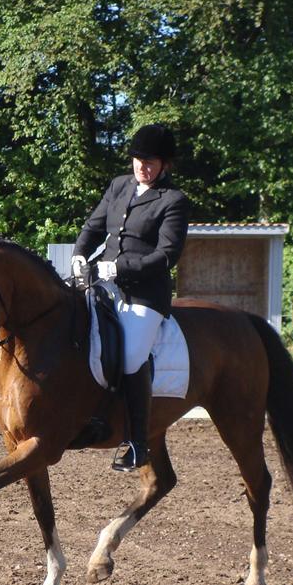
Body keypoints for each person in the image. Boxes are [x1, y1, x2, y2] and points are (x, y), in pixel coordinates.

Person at [71, 123, 190, 472]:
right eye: (138, 159)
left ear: (165, 164)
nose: (142, 166)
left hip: (144, 294)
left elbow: (166, 255)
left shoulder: (173, 200)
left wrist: (119, 268)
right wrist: (80, 253)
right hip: (102, 283)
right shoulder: (119, 186)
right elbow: (94, 227)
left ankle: (138, 442)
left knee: (130, 356)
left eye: (150, 161)